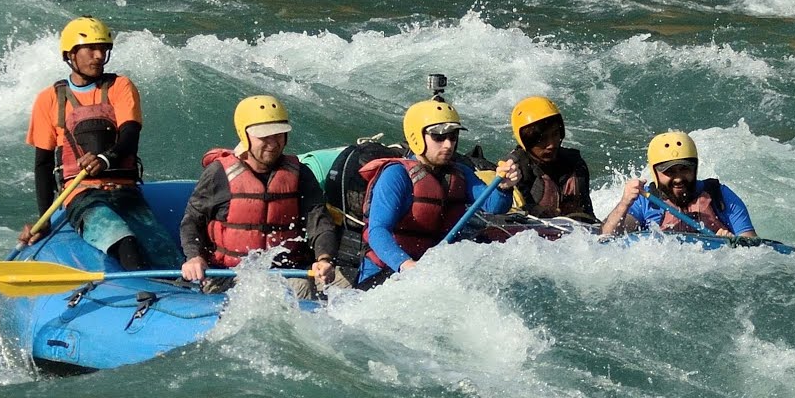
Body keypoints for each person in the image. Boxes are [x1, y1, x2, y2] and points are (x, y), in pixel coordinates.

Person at [19, 15, 179, 269]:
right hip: (82, 195)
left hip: (124, 189)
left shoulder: (120, 86)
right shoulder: (48, 99)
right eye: (91, 49)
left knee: (166, 253)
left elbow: (129, 133)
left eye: (103, 49)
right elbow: (43, 164)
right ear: (71, 54)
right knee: (123, 239)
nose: (98, 56)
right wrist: (45, 220)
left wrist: (106, 159)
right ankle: (144, 294)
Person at [178, 95, 348, 299]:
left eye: (278, 135)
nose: (273, 143)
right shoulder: (218, 175)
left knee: (340, 286)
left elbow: (318, 221)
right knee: (299, 290)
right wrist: (194, 257)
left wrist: (324, 258)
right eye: (264, 137)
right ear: (245, 135)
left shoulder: (300, 174)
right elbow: (192, 222)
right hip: (229, 274)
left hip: (287, 270)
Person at [354, 99, 522, 290]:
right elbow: (378, 231)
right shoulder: (396, 175)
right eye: (439, 137)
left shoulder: (460, 173)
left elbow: (494, 206)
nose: (449, 145)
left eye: (453, 137)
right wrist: (406, 265)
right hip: (386, 271)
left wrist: (505, 187)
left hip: (433, 274)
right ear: (417, 137)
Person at [599, 130, 758, 238]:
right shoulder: (644, 201)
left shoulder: (720, 196)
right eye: (669, 172)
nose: (678, 178)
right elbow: (607, 237)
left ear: (695, 168)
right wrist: (624, 203)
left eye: (684, 169)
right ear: (655, 173)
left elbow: (753, 247)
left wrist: (733, 245)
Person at [504, 96, 597, 223]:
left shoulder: (575, 163)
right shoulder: (515, 169)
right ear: (526, 141)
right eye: (542, 139)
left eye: (555, 134)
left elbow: (588, 215)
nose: (551, 144)